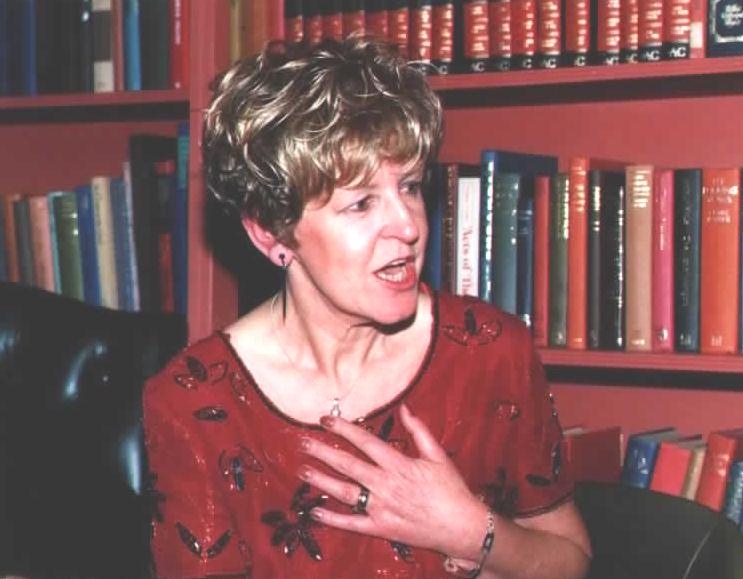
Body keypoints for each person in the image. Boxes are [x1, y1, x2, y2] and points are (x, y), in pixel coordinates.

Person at [143, 36, 592, 579]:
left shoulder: (489, 350)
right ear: (270, 231)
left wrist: (473, 531)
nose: (408, 226)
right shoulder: (195, 401)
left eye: (411, 187)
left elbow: (571, 562)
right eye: (361, 203)